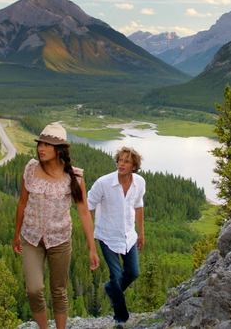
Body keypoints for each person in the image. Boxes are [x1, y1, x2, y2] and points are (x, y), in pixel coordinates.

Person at [12, 122, 100, 329]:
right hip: (31, 238)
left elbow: (84, 212)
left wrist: (92, 248)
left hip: (60, 240)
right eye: (40, 144)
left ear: (59, 149)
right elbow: (22, 203)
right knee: (34, 289)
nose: (41, 148)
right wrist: (16, 235)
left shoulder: (74, 177)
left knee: (59, 290)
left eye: (47, 145)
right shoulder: (31, 168)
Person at [87, 146, 145, 328]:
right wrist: (90, 240)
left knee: (133, 272)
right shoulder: (103, 183)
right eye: (120, 160)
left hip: (129, 236)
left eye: (126, 161)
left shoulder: (140, 182)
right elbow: (88, 206)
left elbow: (138, 206)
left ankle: (112, 289)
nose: (121, 164)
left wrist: (141, 232)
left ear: (134, 165)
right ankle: (121, 318)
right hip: (106, 236)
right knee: (116, 275)